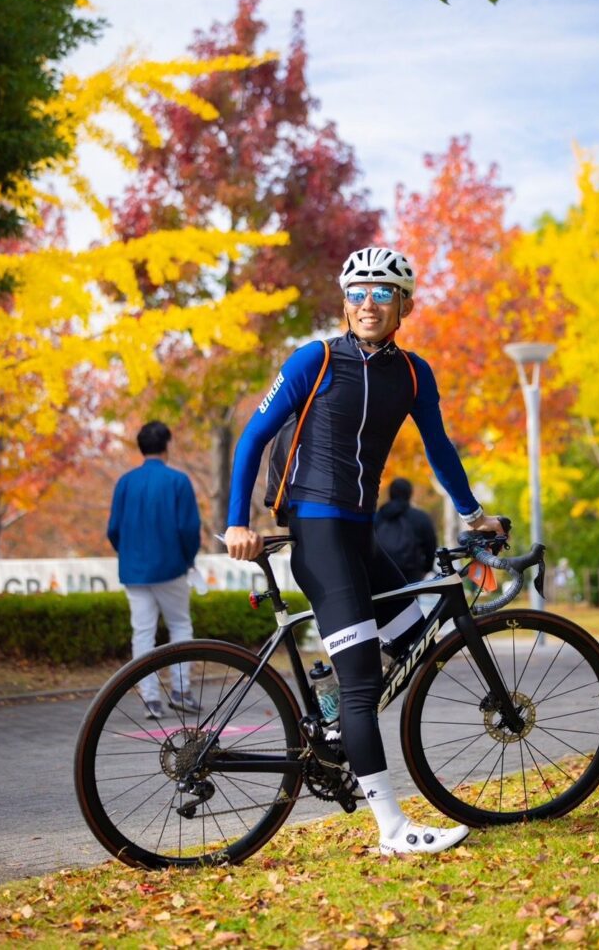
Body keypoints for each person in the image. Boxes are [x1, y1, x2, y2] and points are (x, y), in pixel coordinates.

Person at [225, 245, 503, 857]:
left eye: (382, 292)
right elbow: (252, 438)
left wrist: (473, 514)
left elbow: (440, 447)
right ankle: (391, 829)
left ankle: (331, 713)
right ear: (344, 303)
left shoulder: (412, 373)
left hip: (359, 532)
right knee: (363, 681)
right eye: (357, 292)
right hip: (318, 531)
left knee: (411, 638)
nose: (368, 303)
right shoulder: (315, 359)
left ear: (404, 303)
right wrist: (234, 523)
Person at [107, 420, 202, 719]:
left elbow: (113, 529)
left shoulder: (125, 482)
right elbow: (189, 529)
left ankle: (151, 700)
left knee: (143, 634)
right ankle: (181, 691)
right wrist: (188, 559)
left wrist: (129, 554)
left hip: (134, 570)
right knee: (180, 626)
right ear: (166, 445)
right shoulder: (178, 481)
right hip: (171, 566)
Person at [374, 477, 438, 580]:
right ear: (410, 493)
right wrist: (427, 568)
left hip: (382, 572)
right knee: (411, 596)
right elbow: (431, 544)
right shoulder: (420, 517)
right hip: (411, 572)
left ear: (390, 493)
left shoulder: (378, 517)